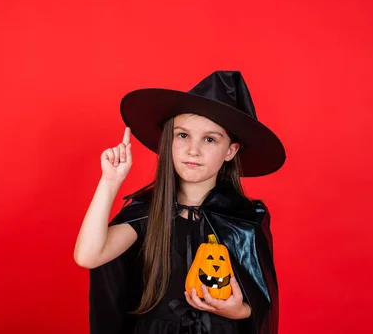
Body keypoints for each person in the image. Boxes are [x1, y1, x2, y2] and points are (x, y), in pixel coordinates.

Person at [74, 71, 285, 334]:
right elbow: (88, 256)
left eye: (209, 139)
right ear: (168, 141)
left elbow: (262, 303)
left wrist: (238, 310)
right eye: (183, 135)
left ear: (230, 151)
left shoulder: (245, 219)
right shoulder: (148, 214)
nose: (193, 150)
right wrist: (110, 181)